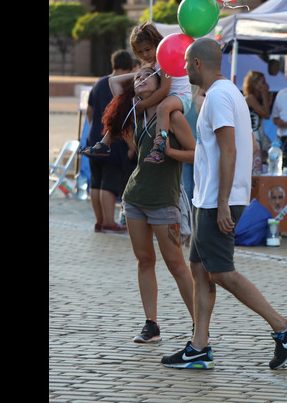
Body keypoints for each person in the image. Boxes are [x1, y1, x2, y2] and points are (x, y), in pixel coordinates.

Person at [161, 38, 287, 370]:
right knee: (200, 269)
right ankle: (199, 346)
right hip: (208, 198)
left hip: (217, 200)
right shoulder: (222, 95)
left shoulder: (221, 97)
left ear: (198, 63)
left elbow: (230, 151)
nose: (182, 67)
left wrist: (224, 202)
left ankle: (284, 328)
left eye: (186, 62)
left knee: (221, 272)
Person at [119, 66, 196, 343]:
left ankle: (200, 326)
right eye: (136, 77)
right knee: (144, 261)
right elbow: (116, 86)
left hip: (164, 200)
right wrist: (140, 80)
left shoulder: (173, 115)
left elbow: (196, 153)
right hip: (135, 198)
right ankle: (151, 324)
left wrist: (169, 151)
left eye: (145, 75)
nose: (139, 79)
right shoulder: (137, 116)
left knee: (177, 265)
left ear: (162, 80)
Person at [82, 22, 193, 166]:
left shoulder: (164, 59)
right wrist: (128, 104)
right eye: (140, 52)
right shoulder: (152, 65)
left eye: (147, 49)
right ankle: (106, 142)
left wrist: (140, 106)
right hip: (166, 96)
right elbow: (114, 81)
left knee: (162, 108)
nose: (145, 55)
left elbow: (164, 90)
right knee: (123, 105)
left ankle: (158, 148)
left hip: (180, 96)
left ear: (156, 44)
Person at [85, 50, 136, 233]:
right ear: (129, 67)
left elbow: (89, 111)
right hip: (113, 143)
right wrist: (131, 145)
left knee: (96, 182)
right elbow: (125, 119)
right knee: (109, 183)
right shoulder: (121, 88)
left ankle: (99, 221)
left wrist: (95, 129)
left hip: (93, 138)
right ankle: (109, 222)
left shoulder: (98, 83)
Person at [243, 70, 273, 159]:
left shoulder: (255, 99)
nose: (266, 85)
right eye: (263, 82)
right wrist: (264, 95)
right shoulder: (250, 98)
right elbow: (266, 115)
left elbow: (263, 114)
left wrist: (267, 100)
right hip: (251, 139)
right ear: (255, 85)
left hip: (257, 137)